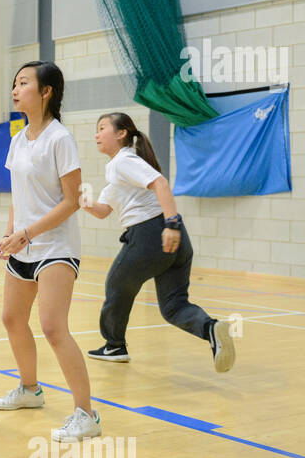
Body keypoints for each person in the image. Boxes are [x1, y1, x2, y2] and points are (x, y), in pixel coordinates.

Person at [0, 61, 100, 442]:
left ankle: (86, 415)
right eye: (14, 82)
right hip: (23, 246)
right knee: (11, 318)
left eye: (23, 83)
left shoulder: (60, 139)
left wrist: (27, 232)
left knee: (54, 327)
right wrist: (10, 234)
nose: (15, 89)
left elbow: (72, 201)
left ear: (46, 91)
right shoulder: (18, 140)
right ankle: (30, 390)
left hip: (55, 247)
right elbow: (17, 197)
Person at [82, 111, 236, 371]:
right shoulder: (117, 174)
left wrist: (170, 224)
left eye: (102, 128)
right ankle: (210, 329)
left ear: (121, 134)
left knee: (116, 283)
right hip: (174, 241)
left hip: (152, 235)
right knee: (173, 306)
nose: (96, 134)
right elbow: (102, 210)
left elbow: (161, 183)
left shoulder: (124, 161)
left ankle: (114, 345)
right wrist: (80, 200)